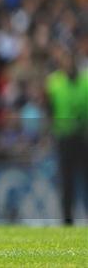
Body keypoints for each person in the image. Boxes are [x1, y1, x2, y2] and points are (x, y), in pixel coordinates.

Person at [46, 46, 88, 225]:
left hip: (84, 137)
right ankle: (67, 222)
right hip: (64, 137)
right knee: (67, 183)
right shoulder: (54, 83)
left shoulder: (85, 82)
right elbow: (49, 109)